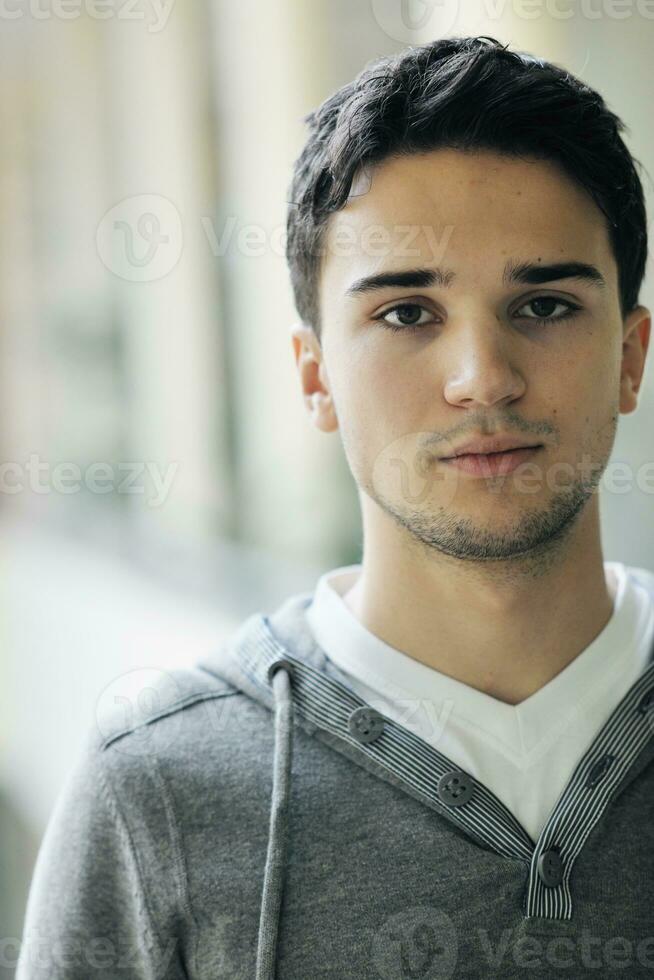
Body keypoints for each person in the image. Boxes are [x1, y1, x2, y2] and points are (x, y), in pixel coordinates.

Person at [16, 35, 654, 979]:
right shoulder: (156, 789)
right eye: (406, 315)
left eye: (546, 305)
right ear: (315, 377)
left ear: (631, 357)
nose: (482, 378)